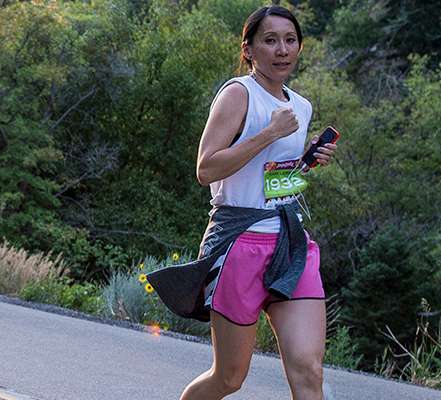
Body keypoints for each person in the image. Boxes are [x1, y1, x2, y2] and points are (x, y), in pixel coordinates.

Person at [143, 6, 339, 400]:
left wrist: (306, 164)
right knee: (229, 378)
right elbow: (206, 169)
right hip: (238, 244)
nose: (282, 50)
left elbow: (271, 179)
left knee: (309, 370)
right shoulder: (238, 94)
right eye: (270, 40)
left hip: (289, 241)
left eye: (290, 40)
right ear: (249, 49)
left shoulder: (300, 106)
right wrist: (268, 134)